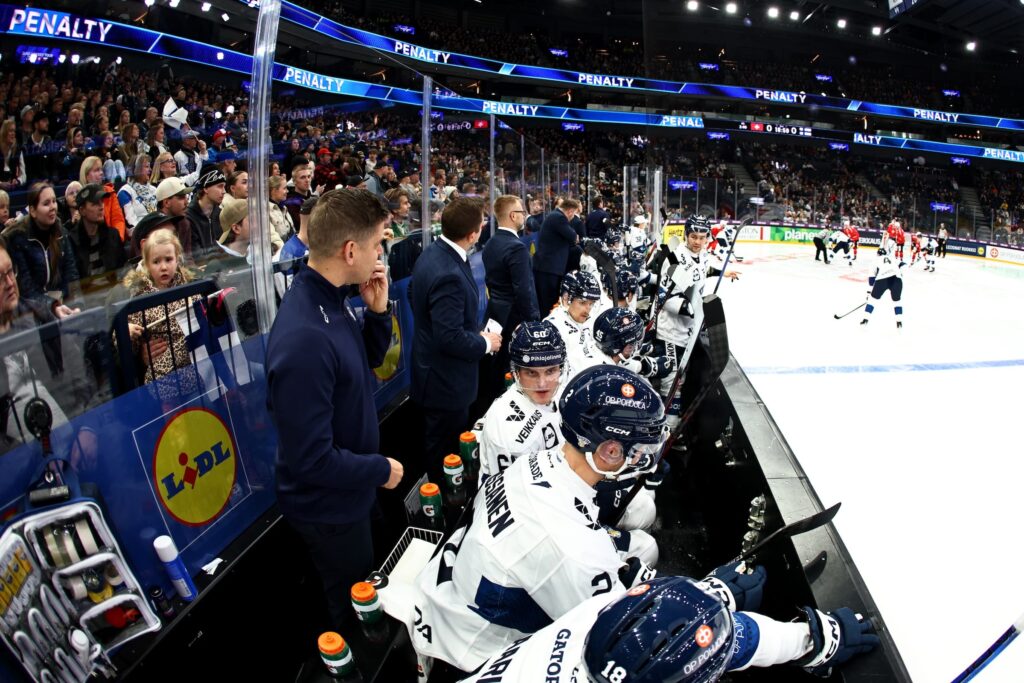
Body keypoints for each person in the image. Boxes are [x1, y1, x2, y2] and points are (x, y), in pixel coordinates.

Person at [407, 366, 665, 674]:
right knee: (645, 550)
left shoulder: (535, 460)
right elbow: (613, 639)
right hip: (479, 651)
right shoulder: (577, 552)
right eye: (638, 448)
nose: (643, 457)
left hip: (456, 599)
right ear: (610, 450)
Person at [265, 188, 404, 631]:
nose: (381, 252)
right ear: (350, 250)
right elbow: (310, 460)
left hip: (352, 490)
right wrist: (379, 469)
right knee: (355, 615)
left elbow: (360, 365)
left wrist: (378, 314)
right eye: (378, 243)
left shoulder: (332, 298)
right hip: (329, 507)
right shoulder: (304, 335)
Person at [460, 573, 878, 682]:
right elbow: (734, 644)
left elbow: (726, 643)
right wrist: (811, 641)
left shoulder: (595, 615)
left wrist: (708, 601)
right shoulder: (595, 614)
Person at [411, 197, 501, 483]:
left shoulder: (433, 253)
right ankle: (446, 503)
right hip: (444, 381)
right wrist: (486, 343)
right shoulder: (448, 272)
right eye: (481, 223)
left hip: (434, 372)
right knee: (444, 450)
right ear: (472, 234)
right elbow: (449, 338)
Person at [654, 215, 738, 428]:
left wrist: (722, 272)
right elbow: (665, 298)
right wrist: (695, 310)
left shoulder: (703, 255)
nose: (698, 242)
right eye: (693, 236)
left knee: (681, 379)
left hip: (688, 332)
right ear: (685, 235)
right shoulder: (674, 260)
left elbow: (702, 271)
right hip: (670, 332)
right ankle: (667, 426)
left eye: (702, 237)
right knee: (671, 381)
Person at [473, 320, 565, 484]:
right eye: (532, 373)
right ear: (516, 373)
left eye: (550, 371)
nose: (543, 384)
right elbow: (518, 495)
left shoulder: (559, 388)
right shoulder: (513, 440)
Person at [0, 236, 68, 449]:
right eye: (0, 278)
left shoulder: (40, 315)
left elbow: (76, 378)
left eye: (11, 272)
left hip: (68, 437)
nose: (10, 284)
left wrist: (86, 430)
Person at [123, 228, 201, 398]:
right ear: (147, 264)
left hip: (198, 372)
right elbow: (128, 344)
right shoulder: (139, 298)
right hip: (164, 381)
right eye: (156, 262)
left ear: (177, 258)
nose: (163, 267)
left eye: (168, 259)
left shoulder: (190, 287)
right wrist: (126, 331)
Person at [481, 195, 540, 400]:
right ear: (513, 215)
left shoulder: (490, 243)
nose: (525, 215)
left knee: (496, 369)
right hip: (514, 318)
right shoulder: (515, 247)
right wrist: (533, 322)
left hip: (495, 314)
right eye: (522, 211)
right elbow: (523, 290)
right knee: (510, 370)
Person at [1, 182, 81, 319]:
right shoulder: (17, 238)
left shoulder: (61, 232)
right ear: (32, 211)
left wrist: (77, 305)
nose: (53, 207)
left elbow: (71, 273)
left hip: (61, 306)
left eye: (54, 201)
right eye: (46, 203)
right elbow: (26, 288)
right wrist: (53, 306)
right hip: (32, 313)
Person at [68, 183, 125, 288]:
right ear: (82, 210)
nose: (101, 207)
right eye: (95, 204)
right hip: (87, 300)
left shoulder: (113, 235)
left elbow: (124, 271)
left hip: (114, 296)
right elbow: (73, 283)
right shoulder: (71, 242)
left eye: (102, 202)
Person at [545, 270, 602, 375]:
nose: (588, 309)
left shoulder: (589, 320)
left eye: (592, 303)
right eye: (583, 302)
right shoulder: (551, 329)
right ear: (566, 298)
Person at [533, 198, 582, 316]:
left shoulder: (554, 216)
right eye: (574, 214)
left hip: (548, 267)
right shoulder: (559, 218)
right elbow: (573, 237)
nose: (573, 217)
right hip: (548, 268)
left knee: (548, 302)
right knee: (547, 303)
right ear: (570, 211)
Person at [79, 156, 127, 241]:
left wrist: (117, 240)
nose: (101, 173)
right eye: (96, 170)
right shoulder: (80, 198)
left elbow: (118, 220)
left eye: (101, 170)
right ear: (86, 175)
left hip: (111, 240)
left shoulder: (110, 192)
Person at [860, 246, 906, 329]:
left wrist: (869, 293)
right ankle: (899, 322)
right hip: (897, 279)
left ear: (878, 254)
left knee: (872, 300)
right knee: (897, 301)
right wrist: (900, 273)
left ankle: (865, 320)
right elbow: (903, 264)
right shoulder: (892, 258)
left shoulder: (875, 261)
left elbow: (871, 279)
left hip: (882, 279)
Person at [186, 169, 226, 256]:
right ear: (206, 189)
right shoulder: (189, 218)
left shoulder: (217, 212)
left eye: (224, 187)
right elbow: (196, 256)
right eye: (220, 186)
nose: (224, 191)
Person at [117, 155, 158, 233]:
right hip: (140, 234)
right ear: (136, 169)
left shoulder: (154, 189)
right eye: (146, 167)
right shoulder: (125, 191)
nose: (150, 170)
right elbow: (131, 224)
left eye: (150, 166)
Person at [0, 119, 27, 192]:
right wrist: (0, 184)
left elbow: (23, 176)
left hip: (13, 190)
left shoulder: (18, 150)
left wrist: (18, 181)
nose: (13, 133)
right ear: (4, 133)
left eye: (14, 131)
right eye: (10, 131)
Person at [268, 174, 295, 243]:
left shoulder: (284, 207)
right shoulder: (266, 211)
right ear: (274, 191)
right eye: (284, 188)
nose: (287, 191)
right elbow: (274, 240)